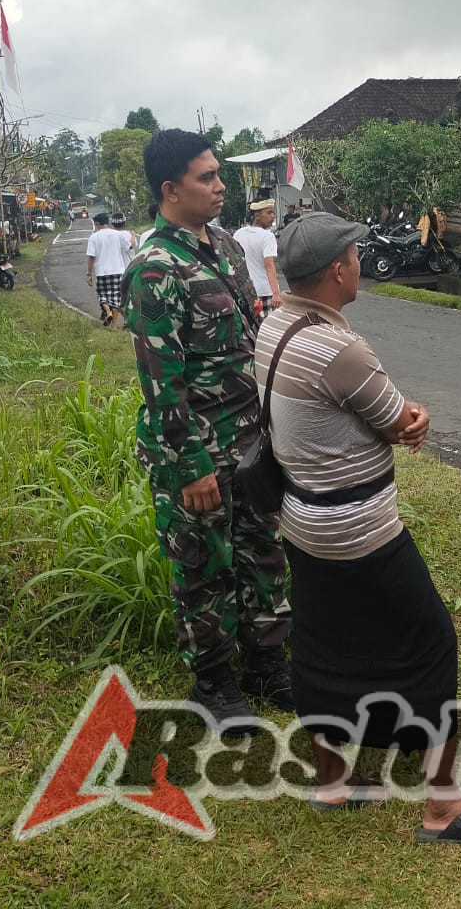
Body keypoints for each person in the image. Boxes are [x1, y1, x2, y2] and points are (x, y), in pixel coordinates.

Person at [255, 212, 461, 843]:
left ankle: (335, 779)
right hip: (358, 526)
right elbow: (398, 422)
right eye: (354, 255)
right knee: (429, 641)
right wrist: (417, 415)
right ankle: (444, 807)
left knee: (322, 642)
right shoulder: (339, 349)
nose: (360, 262)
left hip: (302, 520)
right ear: (337, 271)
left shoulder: (273, 323)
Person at [122, 129, 293, 730]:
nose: (221, 186)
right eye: (207, 177)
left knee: (261, 549)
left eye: (219, 173)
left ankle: (267, 662)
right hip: (196, 446)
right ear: (171, 190)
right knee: (203, 564)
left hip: (249, 438)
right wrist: (190, 464)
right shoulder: (154, 268)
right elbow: (160, 380)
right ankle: (214, 682)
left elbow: (254, 330)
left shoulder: (222, 245)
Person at [234, 199, 283, 314]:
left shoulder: (238, 234)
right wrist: (276, 293)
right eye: (269, 212)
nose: (273, 216)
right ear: (257, 216)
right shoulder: (267, 236)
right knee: (267, 324)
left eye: (273, 212)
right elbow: (269, 265)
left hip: (245, 292)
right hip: (265, 292)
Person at [85, 212, 128, 327]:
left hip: (102, 272)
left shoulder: (94, 237)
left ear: (97, 223)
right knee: (115, 298)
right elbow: (127, 247)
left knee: (102, 296)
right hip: (117, 271)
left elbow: (91, 257)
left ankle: (108, 312)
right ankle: (115, 326)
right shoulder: (118, 235)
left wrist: (89, 274)